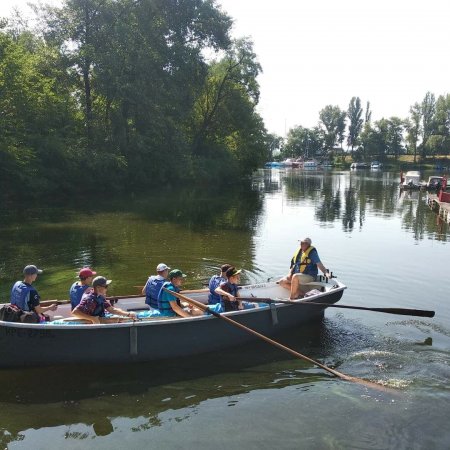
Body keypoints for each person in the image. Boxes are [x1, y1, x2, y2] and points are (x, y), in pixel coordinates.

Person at [72, 276, 136, 324]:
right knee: (119, 320)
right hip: (91, 323)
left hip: (101, 318)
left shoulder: (100, 296)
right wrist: (92, 318)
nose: (107, 289)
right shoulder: (90, 300)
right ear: (98, 287)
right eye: (105, 286)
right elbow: (75, 312)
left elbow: (111, 309)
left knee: (120, 312)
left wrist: (128, 314)